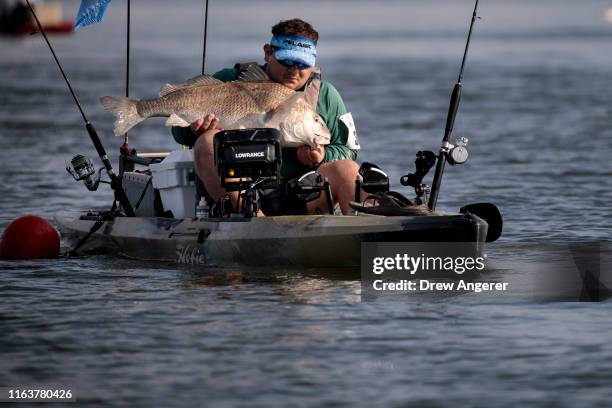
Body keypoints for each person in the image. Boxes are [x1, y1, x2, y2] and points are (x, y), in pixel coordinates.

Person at [172, 18, 361, 215]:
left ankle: (365, 234)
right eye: (287, 60)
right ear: (268, 52)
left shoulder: (326, 95)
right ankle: (254, 221)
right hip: (238, 197)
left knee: (348, 170)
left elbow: (349, 150)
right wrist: (192, 128)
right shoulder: (230, 81)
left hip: (300, 194)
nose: (294, 71)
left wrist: (323, 155)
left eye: (303, 63)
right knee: (208, 142)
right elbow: (179, 134)